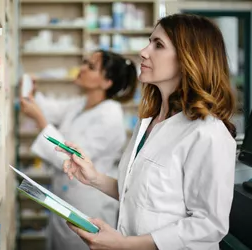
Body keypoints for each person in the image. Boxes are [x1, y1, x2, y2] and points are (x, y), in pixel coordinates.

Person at [57, 13, 237, 250]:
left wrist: (125, 245)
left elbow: (209, 224)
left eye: (158, 45)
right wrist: (95, 179)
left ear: (188, 59)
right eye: (149, 41)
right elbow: (142, 197)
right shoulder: (150, 123)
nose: (144, 51)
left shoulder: (207, 133)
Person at [19, 49, 138, 250]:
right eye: (85, 62)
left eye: (91, 67)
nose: (81, 68)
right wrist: (32, 93)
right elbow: (52, 108)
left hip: (88, 204)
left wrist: (39, 119)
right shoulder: (82, 103)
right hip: (66, 197)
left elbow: (74, 160)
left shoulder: (110, 115)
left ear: (106, 82)